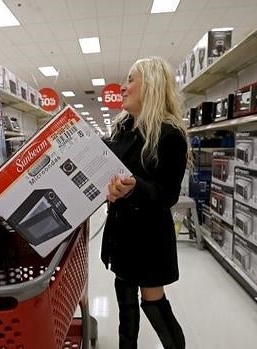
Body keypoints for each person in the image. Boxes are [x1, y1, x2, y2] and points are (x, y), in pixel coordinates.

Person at [102, 57, 188, 349]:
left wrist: (134, 188)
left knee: (154, 304)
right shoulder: (121, 131)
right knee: (125, 307)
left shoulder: (169, 135)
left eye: (130, 80)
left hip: (149, 238)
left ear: (150, 85)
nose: (123, 88)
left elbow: (168, 195)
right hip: (120, 234)